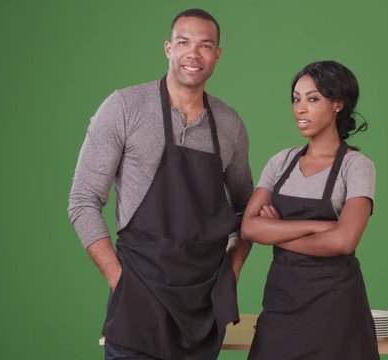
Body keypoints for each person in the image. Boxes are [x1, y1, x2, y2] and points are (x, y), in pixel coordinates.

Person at [67, 8, 253, 360]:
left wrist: (232, 269)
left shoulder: (229, 124)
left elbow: (246, 208)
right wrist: (120, 282)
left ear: (217, 55)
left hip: (202, 306)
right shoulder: (124, 107)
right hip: (139, 296)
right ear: (168, 48)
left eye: (205, 45)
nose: (193, 54)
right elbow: (83, 200)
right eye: (184, 42)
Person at [241, 60, 380, 359]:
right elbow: (249, 227)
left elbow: (344, 241)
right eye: (296, 99)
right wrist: (320, 226)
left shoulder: (356, 167)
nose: (300, 109)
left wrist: (275, 233)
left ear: (338, 105)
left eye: (313, 99)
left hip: (335, 312)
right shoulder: (281, 162)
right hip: (281, 304)